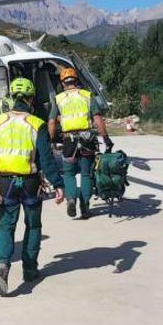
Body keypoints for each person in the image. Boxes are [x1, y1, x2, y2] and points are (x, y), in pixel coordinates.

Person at [0, 77, 65, 296]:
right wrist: (58, 183)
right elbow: (46, 158)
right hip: (30, 183)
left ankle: (2, 263)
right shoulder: (36, 123)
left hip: (6, 182)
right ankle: (29, 269)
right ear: (30, 98)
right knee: (33, 225)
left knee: (6, 226)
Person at [48, 67, 112, 219]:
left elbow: (51, 122)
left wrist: (51, 140)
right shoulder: (87, 95)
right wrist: (106, 138)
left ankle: (71, 199)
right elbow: (97, 119)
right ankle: (84, 205)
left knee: (69, 173)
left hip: (68, 141)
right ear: (76, 80)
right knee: (86, 174)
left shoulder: (58, 99)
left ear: (63, 83)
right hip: (87, 139)